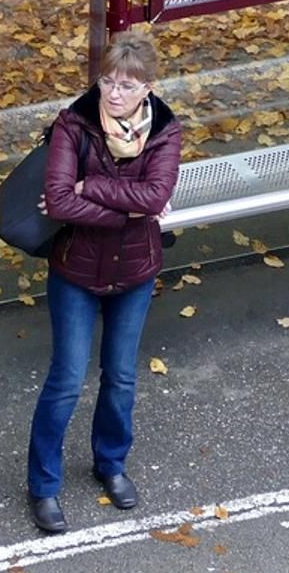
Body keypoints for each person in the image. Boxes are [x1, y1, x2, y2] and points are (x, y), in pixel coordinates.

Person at [26, 30, 182, 534]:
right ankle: (43, 485)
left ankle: (110, 464)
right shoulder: (73, 125)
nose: (113, 95)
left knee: (120, 378)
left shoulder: (165, 130)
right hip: (76, 270)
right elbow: (58, 200)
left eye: (126, 86)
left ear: (148, 89)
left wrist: (91, 186)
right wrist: (129, 210)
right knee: (67, 381)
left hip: (134, 272)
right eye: (108, 82)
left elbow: (156, 195)